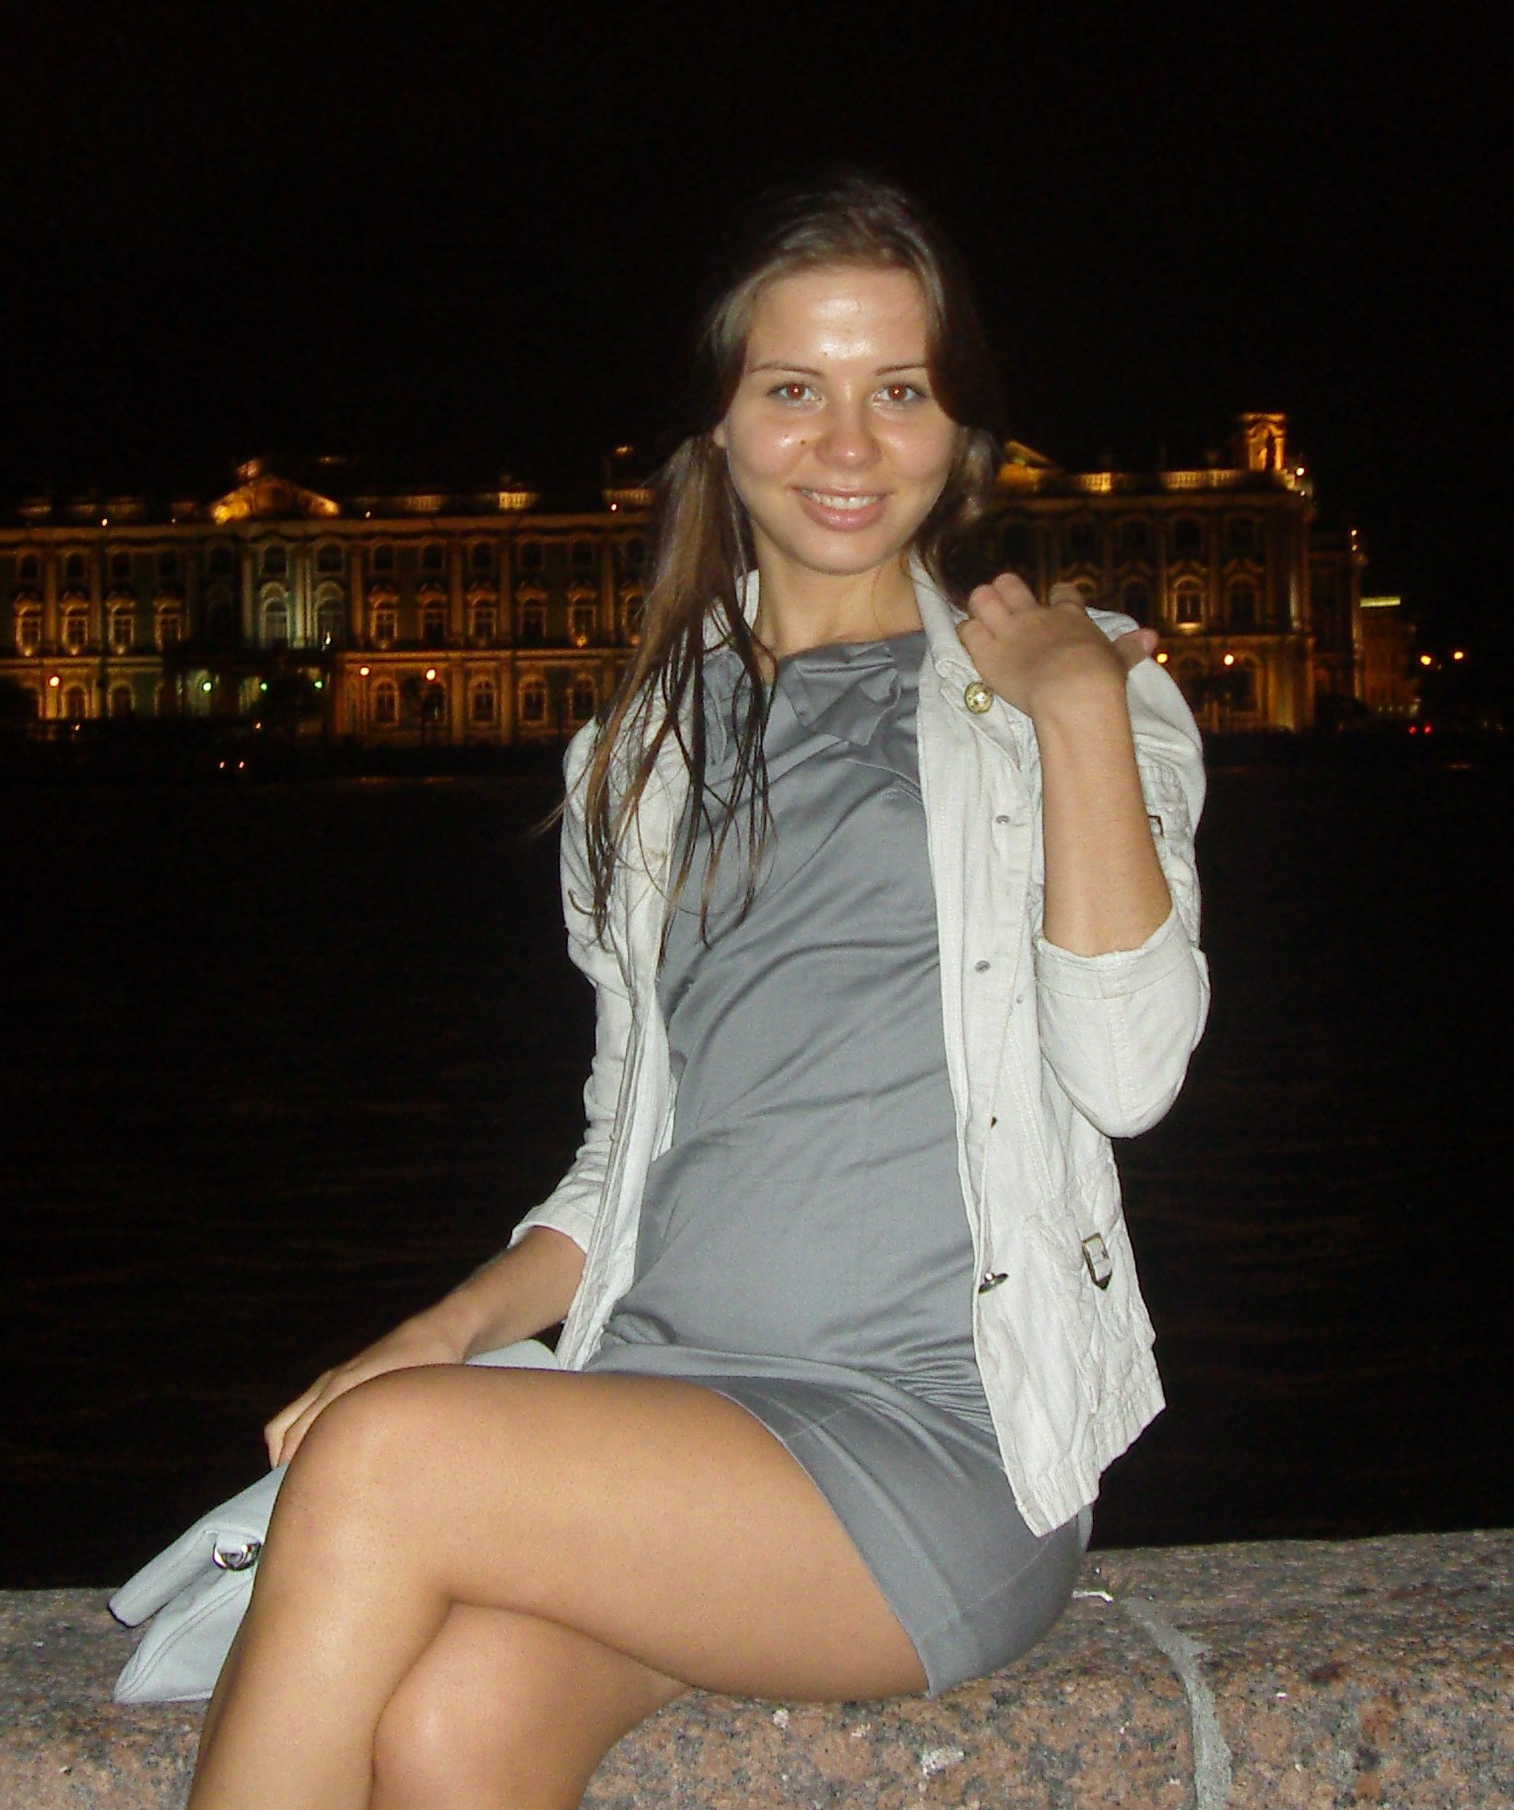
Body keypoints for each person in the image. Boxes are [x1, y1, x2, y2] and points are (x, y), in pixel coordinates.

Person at [187, 175, 1209, 1810]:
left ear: (962, 433)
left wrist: (1080, 709)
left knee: (386, 1465)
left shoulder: (1066, 701)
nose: (847, 444)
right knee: (452, 1729)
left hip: (937, 1437)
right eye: (792, 389)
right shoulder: (637, 754)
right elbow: (631, 1152)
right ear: (716, 429)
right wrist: (440, 1331)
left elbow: (1132, 1069)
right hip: (661, 1422)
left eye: (900, 391)